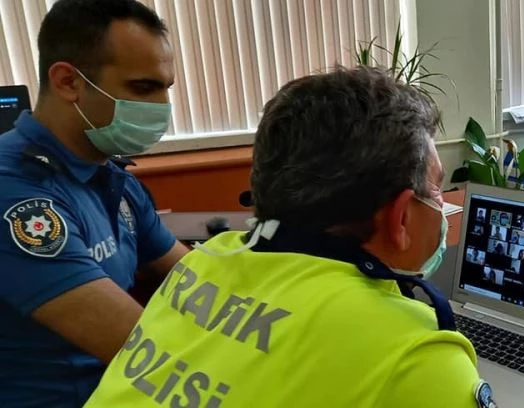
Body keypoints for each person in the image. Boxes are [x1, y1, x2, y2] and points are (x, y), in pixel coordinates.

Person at [85, 67, 493, 407]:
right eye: (436, 189)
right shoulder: (414, 355)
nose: (441, 203)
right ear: (401, 217)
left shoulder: (205, 260)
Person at [0, 1, 187, 406]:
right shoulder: (15, 193)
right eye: (143, 88)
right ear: (69, 82)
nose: (162, 108)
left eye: (165, 89)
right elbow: (142, 349)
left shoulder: (112, 176)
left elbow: (194, 278)